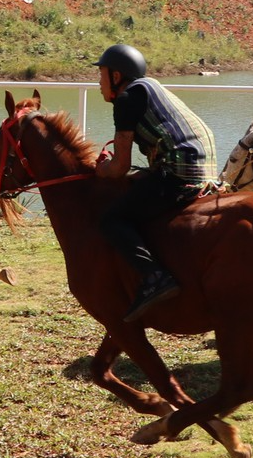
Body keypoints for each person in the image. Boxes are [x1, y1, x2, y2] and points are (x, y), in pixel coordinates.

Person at [92, 43, 220, 322]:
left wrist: (101, 169)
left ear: (116, 76)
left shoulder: (126, 100)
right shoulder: (151, 87)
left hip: (180, 172)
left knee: (112, 220)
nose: (98, 82)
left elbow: (119, 167)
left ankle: (154, 276)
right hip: (204, 168)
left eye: (101, 74)